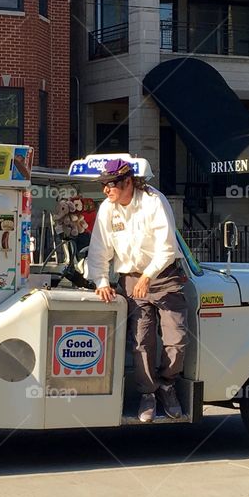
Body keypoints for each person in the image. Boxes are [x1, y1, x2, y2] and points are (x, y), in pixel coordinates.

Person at [87, 158, 189, 422]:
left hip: (164, 276)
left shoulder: (154, 201)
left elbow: (167, 247)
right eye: (104, 186)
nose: (105, 191)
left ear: (128, 182)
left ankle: (168, 384)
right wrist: (101, 281)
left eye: (110, 185)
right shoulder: (107, 209)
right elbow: (99, 249)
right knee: (142, 342)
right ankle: (148, 394)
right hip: (131, 279)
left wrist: (148, 276)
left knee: (176, 340)